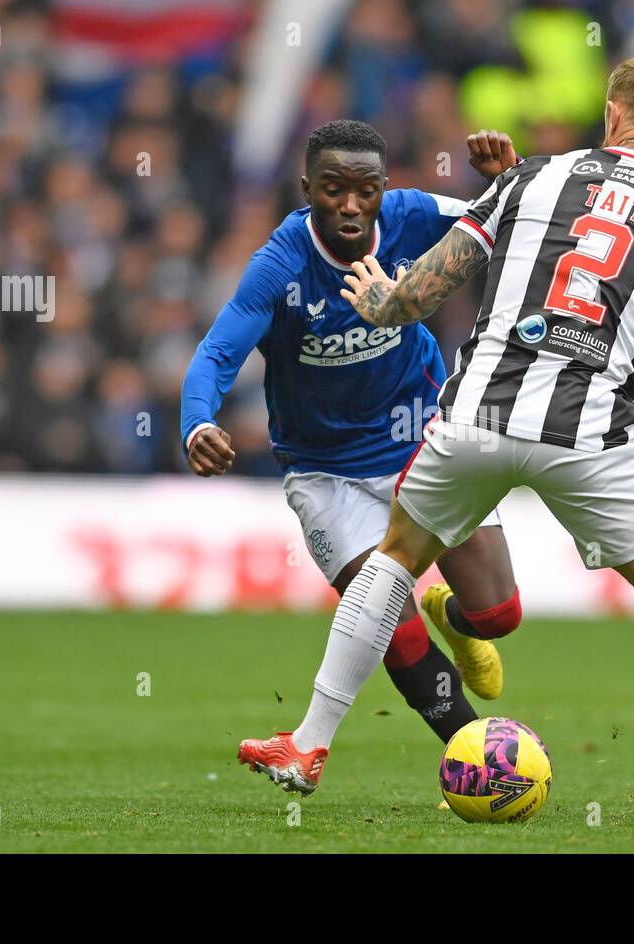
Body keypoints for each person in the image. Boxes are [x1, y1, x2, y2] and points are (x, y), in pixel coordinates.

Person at [239, 59, 634, 824]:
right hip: (590, 434)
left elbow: (419, 294)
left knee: (397, 559)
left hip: (475, 415)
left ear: (611, 113)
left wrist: (379, 298)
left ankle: (308, 745)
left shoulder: (532, 178)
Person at [181, 121, 525, 756]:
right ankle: (480, 756)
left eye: (365, 189)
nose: (349, 204)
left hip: (424, 439)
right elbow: (215, 354)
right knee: (391, 624)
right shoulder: (279, 267)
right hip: (327, 469)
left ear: (383, 189)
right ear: (307, 186)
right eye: (333, 188)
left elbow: (512, 215)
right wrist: (199, 420)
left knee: (498, 615)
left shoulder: (414, 216)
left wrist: (507, 174)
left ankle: (453, 615)